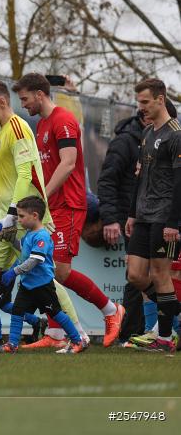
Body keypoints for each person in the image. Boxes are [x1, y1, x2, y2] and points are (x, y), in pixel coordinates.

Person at [0, 80, 84, 353]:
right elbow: (12, 175)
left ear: (2, 102)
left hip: (21, 216)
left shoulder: (18, 128)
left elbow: (24, 174)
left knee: (45, 278)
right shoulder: (3, 131)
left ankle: (80, 334)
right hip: (2, 213)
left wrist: (11, 214)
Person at [13, 73, 122, 348]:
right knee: (47, 269)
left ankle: (111, 310)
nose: (23, 105)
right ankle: (56, 334)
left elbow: (68, 163)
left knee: (60, 271)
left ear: (40, 94)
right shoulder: (42, 125)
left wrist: (44, 197)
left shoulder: (63, 120)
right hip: (52, 206)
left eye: (25, 98)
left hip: (69, 205)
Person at [124, 77, 181, 353]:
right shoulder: (147, 134)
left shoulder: (176, 134)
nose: (141, 107)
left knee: (161, 274)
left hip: (164, 216)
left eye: (145, 102)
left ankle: (166, 337)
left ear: (161, 99)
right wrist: (132, 214)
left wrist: (174, 222)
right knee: (135, 274)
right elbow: (140, 178)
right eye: (139, 102)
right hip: (144, 216)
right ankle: (173, 313)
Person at [0, 196, 88, 354]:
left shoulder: (42, 236)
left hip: (42, 285)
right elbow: (22, 248)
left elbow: (34, 261)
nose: (19, 220)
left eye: (22, 216)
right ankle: (12, 345)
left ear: (35, 216)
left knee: (55, 313)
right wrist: (9, 238)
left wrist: (13, 272)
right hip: (27, 285)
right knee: (17, 311)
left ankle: (78, 341)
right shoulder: (29, 234)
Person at [98, 109, 151, 343]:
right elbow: (108, 179)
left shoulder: (162, 138)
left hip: (153, 216)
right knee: (137, 275)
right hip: (133, 218)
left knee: (152, 274)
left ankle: (149, 330)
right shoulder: (126, 142)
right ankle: (131, 333)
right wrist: (110, 218)